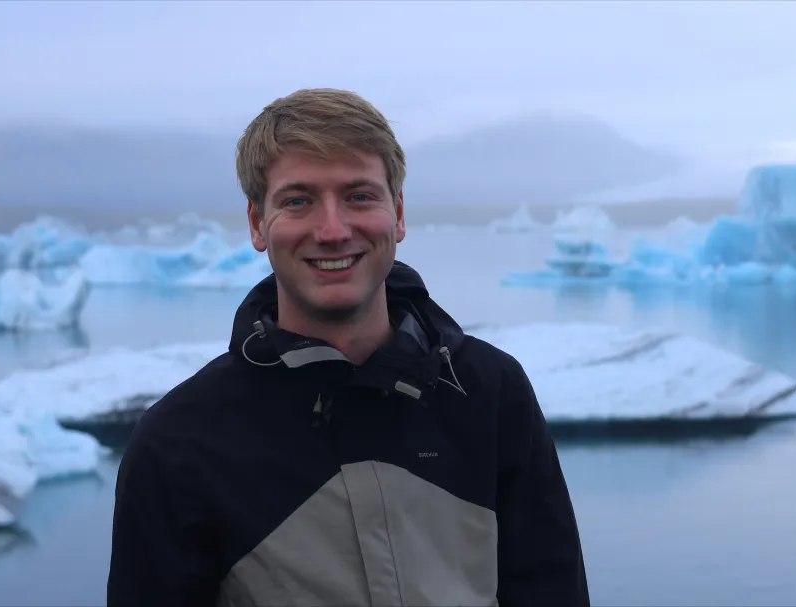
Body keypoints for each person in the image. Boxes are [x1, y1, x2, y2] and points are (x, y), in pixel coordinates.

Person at [107, 88, 590, 607]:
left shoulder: (489, 391)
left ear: (398, 214)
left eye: (359, 196)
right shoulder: (181, 441)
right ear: (256, 223)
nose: (333, 230)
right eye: (298, 201)